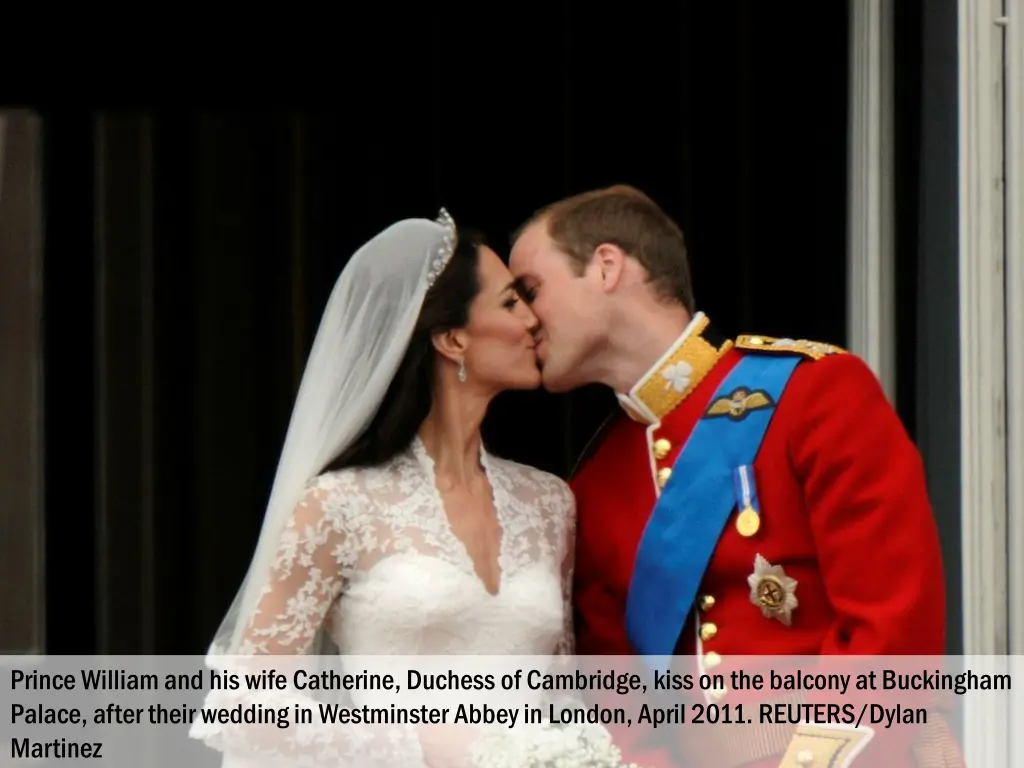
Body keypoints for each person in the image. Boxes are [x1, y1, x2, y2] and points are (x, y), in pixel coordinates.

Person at [508, 185, 964, 768]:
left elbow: (893, 624)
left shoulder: (813, 393)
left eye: (531, 290)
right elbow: (618, 701)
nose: (524, 318)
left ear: (606, 267)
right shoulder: (594, 483)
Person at [189, 210, 577, 768]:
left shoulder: (550, 504)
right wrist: (429, 748)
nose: (534, 321)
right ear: (452, 338)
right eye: (512, 302)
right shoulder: (339, 504)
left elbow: (561, 696)